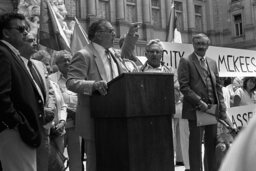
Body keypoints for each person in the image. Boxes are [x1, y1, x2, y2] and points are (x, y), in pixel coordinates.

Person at [66, 19, 138, 171]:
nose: (114, 34)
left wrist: (131, 35)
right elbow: (71, 82)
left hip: (117, 116)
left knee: (115, 159)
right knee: (97, 162)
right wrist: (93, 85)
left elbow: (126, 53)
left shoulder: (112, 53)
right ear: (98, 34)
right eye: (111, 31)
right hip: (94, 117)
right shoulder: (84, 55)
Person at [177, 33, 233, 171]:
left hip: (212, 110)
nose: (201, 46)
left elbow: (218, 87)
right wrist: (199, 101)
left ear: (208, 45)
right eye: (198, 43)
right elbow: (184, 86)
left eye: (203, 44)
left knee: (211, 145)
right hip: (195, 110)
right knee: (195, 146)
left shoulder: (213, 63)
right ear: (193, 45)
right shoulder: (186, 61)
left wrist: (222, 109)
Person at [0, 12, 43, 171]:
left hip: (21, 132)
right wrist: (17, 123)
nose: (26, 32)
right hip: (14, 133)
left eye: (26, 28)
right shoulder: (3, 53)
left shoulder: (12, 54)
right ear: (6, 32)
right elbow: (2, 95)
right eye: (20, 29)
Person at [49, 50, 83, 171]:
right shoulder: (50, 79)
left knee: (76, 159)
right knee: (58, 160)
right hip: (59, 127)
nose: (67, 63)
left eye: (69, 60)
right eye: (64, 61)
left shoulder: (78, 78)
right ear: (57, 64)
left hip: (76, 126)